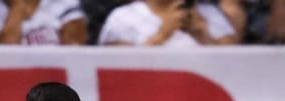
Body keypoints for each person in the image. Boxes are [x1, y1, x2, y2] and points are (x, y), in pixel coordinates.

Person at [98, 0, 238, 46]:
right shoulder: (123, 16)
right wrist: (162, 35)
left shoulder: (210, 13)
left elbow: (235, 64)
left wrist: (203, 37)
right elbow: (114, 68)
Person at [0, 0, 88, 44]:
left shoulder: (64, 4)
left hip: (54, 83)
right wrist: (18, 9)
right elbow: (1, 58)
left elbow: (74, 46)